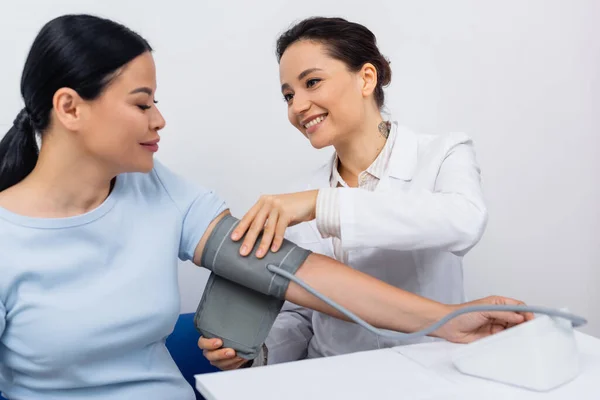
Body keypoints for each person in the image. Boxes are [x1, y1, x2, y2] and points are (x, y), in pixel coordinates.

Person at [0, 14, 530, 400]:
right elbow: (296, 303)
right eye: (142, 103)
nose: (160, 120)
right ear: (69, 107)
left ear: (367, 78)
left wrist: (446, 320)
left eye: (312, 83)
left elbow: (293, 274)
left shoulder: (162, 191)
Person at [199, 16, 490, 369]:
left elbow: (463, 222)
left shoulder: (443, 152)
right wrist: (256, 352)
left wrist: (322, 206)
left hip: (429, 369)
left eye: (313, 82)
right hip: (333, 376)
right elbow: (303, 317)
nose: (298, 107)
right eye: (289, 95)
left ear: (366, 78)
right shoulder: (299, 195)